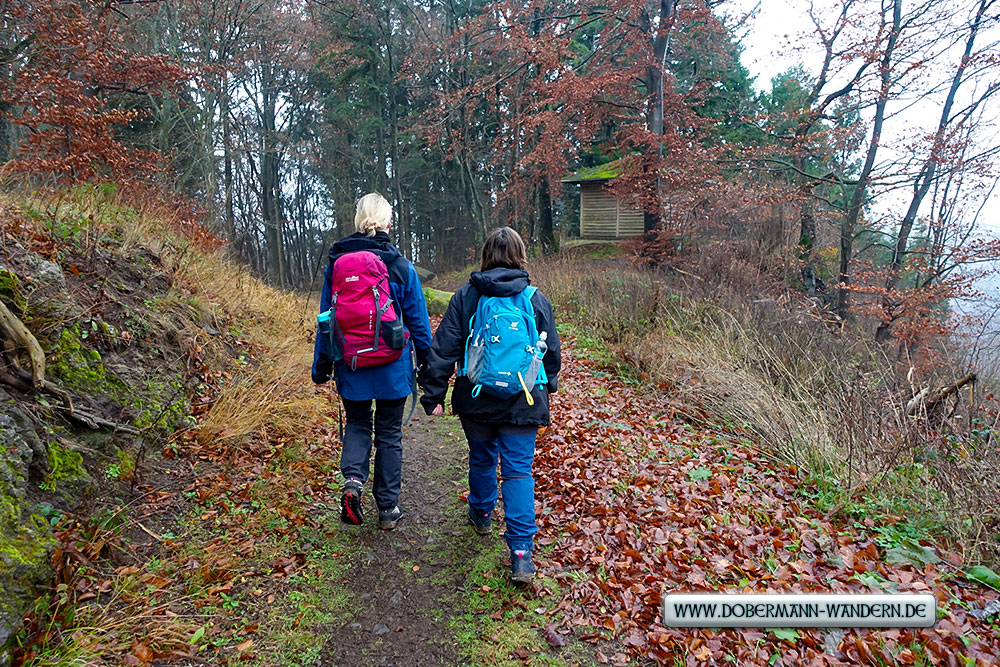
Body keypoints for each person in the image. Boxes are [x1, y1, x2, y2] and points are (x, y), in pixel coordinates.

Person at [419, 226, 560, 583]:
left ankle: (481, 515)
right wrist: (550, 384)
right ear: (520, 255)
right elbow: (552, 353)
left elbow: (444, 348)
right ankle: (521, 554)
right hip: (524, 399)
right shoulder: (535, 299)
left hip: (476, 397)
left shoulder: (467, 296)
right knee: (517, 472)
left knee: (482, 458)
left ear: (485, 256)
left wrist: (433, 394)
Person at [312, 193, 432, 530]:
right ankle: (388, 508)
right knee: (389, 434)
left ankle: (352, 482)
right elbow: (419, 324)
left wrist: (321, 367)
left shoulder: (336, 266)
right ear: (388, 222)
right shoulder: (400, 265)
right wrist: (429, 368)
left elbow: (326, 321)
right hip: (393, 365)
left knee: (358, 424)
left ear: (357, 220)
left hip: (350, 363)